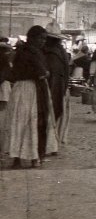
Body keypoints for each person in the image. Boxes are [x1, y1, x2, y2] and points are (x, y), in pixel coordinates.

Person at [7, 25, 59, 167]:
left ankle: (18, 158)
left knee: (19, 123)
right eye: (40, 38)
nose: (43, 41)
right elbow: (42, 73)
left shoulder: (21, 51)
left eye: (44, 39)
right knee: (35, 122)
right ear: (32, 38)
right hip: (32, 90)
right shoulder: (34, 53)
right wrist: (45, 73)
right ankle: (34, 157)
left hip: (21, 90)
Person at [43, 32, 70, 144]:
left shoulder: (49, 52)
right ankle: (53, 141)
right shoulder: (62, 52)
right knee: (57, 111)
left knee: (49, 111)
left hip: (52, 85)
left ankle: (49, 142)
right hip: (60, 85)